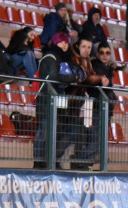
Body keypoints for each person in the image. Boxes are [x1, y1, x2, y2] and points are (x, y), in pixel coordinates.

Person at [33, 32, 85, 169]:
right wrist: (72, 78)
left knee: (57, 132)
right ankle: (38, 162)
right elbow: (54, 76)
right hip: (46, 99)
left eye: (66, 42)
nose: (64, 45)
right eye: (62, 42)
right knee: (44, 132)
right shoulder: (51, 56)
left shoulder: (61, 58)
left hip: (56, 99)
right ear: (55, 42)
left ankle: (49, 161)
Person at [67, 37, 104, 169]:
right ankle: (78, 160)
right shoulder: (74, 60)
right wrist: (99, 79)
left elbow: (91, 76)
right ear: (78, 46)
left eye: (89, 47)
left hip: (82, 103)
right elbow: (85, 78)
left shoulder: (88, 61)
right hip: (73, 103)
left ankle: (80, 161)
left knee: (85, 136)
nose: (87, 50)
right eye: (84, 47)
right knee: (73, 135)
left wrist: (97, 79)